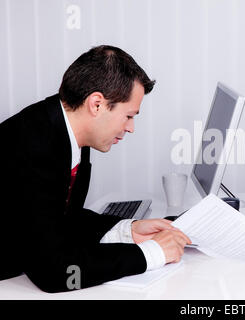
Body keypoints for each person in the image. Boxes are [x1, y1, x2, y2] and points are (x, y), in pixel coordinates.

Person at [0, 45, 191, 293]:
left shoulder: (71, 132)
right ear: (97, 104)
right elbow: (56, 273)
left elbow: (61, 218)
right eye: (129, 115)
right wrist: (151, 254)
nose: (131, 127)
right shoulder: (31, 146)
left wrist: (128, 230)